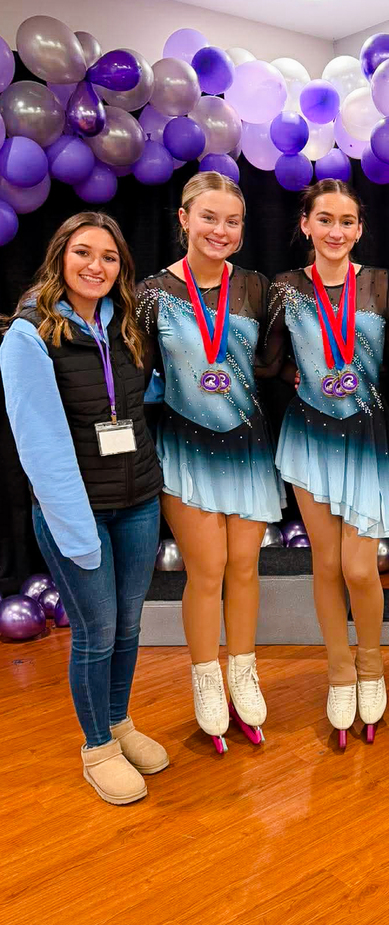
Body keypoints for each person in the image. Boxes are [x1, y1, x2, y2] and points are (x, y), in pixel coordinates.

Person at [0, 212, 166, 805]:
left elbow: (142, 400)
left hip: (138, 502)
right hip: (79, 515)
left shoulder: (123, 325)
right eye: (83, 253)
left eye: (109, 257)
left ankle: (119, 722)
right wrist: (77, 534)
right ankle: (96, 745)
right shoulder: (29, 336)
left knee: (127, 624)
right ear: (60, 258)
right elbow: (40, 448)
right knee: (94, 633)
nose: (96, 266)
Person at [136, 171, 284, 753]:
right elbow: (137, 372)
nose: (219, 230)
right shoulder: (152, 293)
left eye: (232, 221)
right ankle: (204, 678)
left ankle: (242, 671)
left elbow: (274, 364)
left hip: (247, 448)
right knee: (207, 570)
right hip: (186, 448)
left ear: (242, 230)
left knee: (244, 568)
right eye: (209, 217)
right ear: (183, 219)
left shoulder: (255, 288)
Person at [267, 179, 389, 749]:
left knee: (358, 568)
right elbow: (267, 356)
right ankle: (339, 673)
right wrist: (288, 376)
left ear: (360, 228)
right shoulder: (284, 287)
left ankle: (371, 666)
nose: (336, 231)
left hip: (368, 438)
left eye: (347, 221)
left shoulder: (380, 283)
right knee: (325, 566)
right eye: (324, 219)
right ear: (305, 224)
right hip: (309, 438)